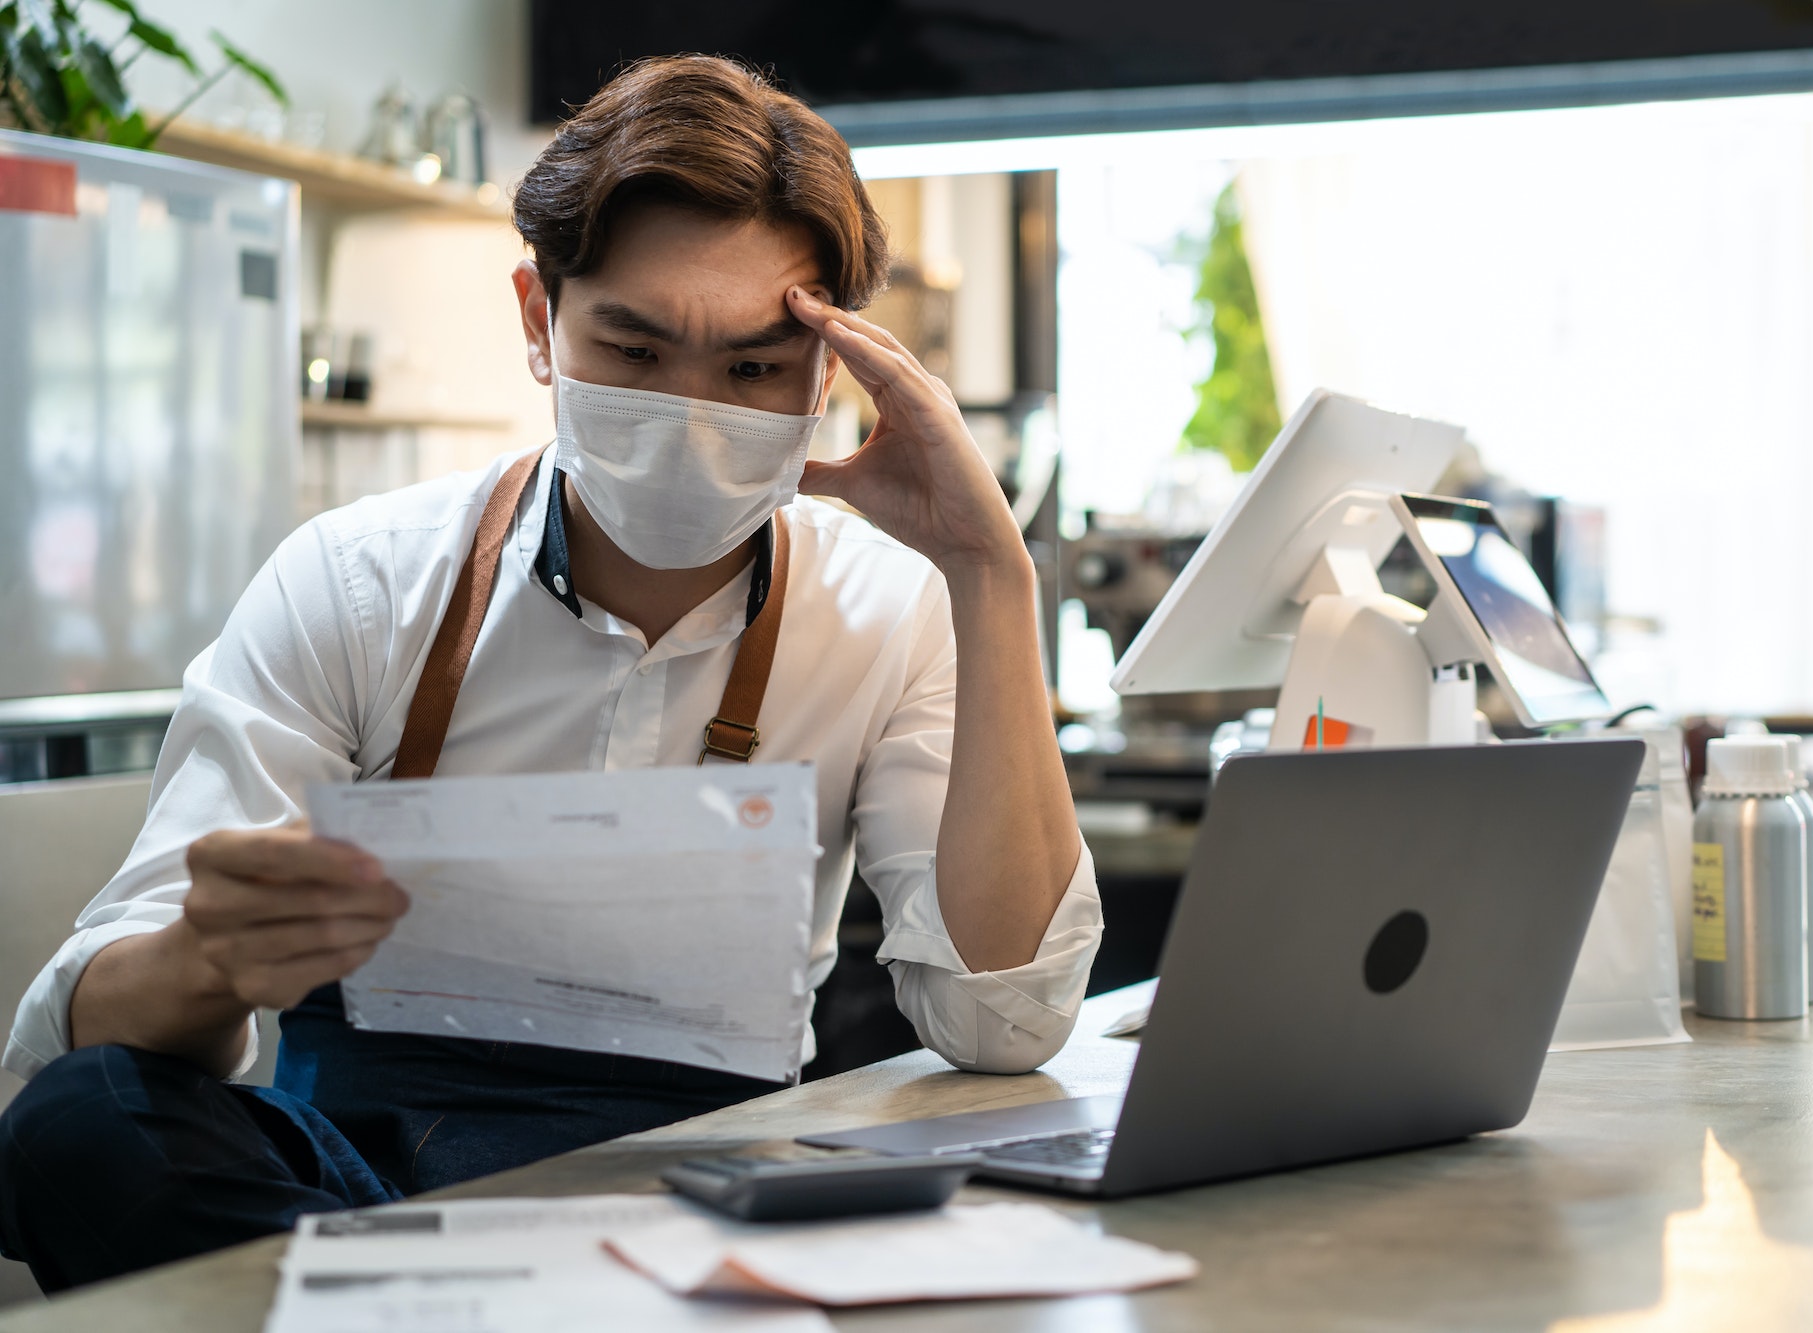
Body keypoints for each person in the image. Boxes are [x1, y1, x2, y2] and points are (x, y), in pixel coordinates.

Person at [0, 55, 1101, 1293]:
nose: (690, 415)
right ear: (538, 319)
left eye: (751, 370)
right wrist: (211, 957)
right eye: (632, 350)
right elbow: (66, 1042)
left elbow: (1001, 1025)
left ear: (827, 373)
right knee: (82, 1119)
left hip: (703, 1186)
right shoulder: (355, 580)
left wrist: (988, 575)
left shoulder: (891, 606)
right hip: (361, 1173)